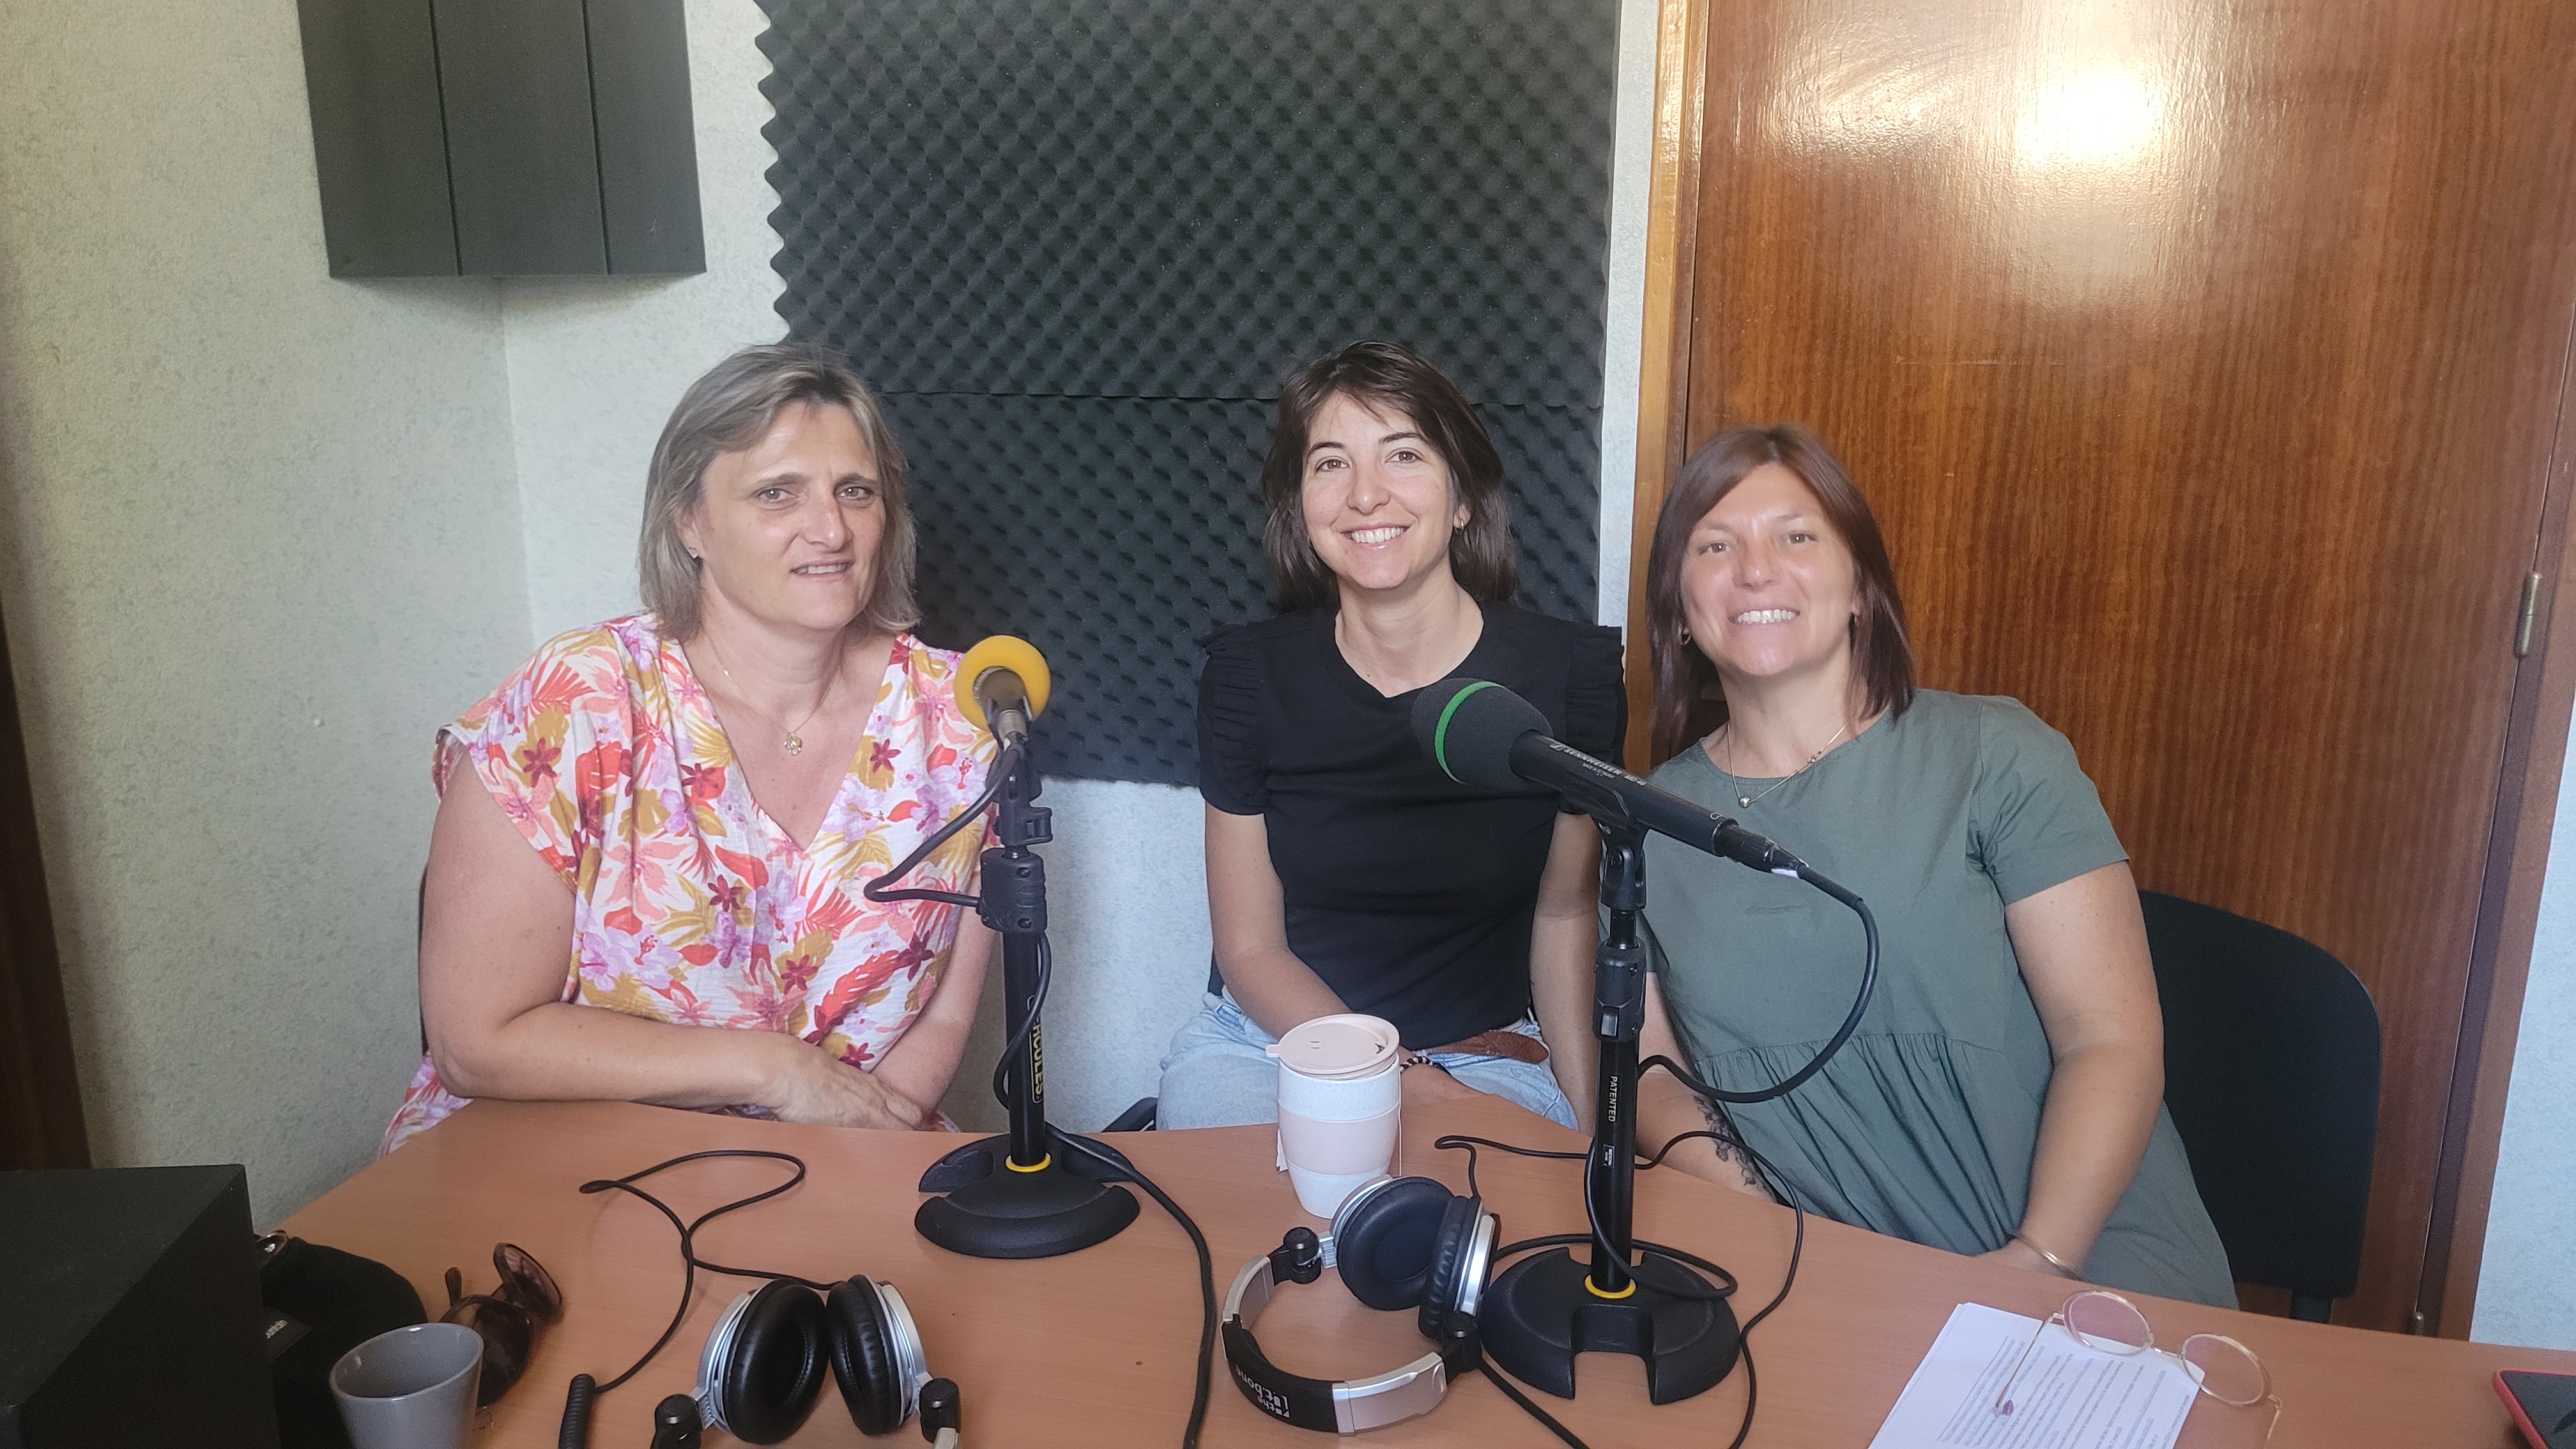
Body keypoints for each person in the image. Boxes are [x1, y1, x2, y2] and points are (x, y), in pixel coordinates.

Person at [1630, 423, 2234, 1307]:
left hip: (2084, 1263)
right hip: (1829, 1294)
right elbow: (1661, 1092)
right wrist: (1795, 1257)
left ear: (1860, 591)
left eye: (1796, 537)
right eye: (1714, 546)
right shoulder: (1645, 823)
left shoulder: (1995, 753)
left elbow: (2111, 1039)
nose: (1755, 569)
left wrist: (2038, 1263)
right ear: (1680, 609)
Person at [382, 343, 997, 1154]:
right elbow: (475, 1041)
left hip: (856, 1153)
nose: (832, 529)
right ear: (689, 521)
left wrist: (855, 1152)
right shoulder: (580, 701)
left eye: (857, 491)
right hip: (553, 1163)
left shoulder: (962, 715)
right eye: (778, 493)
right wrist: (776, 1072)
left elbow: (948, 1015)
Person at [1158, 341, 1623, 1131]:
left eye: (1403, 454)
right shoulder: (1247, 678)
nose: (1366, 495)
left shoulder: (1570, 676)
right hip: (1271, 1048)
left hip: (1483, 1057)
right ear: (1302, 509)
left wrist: (1588, 1127)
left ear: (1464, 497)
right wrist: (1400, 1081)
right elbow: (1250, 949)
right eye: (1330, 464)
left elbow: (1566, 918)